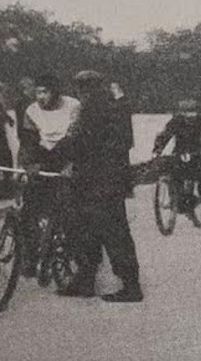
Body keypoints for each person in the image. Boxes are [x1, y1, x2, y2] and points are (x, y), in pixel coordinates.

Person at [52, 71, 142, 302]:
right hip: (107, 180)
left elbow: (80, 142)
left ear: (84, 88)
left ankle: (124, 286)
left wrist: (50, 157)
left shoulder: (94, 108)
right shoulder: (114, 106)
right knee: (102, 232)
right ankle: (97, 282)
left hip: (99, 181)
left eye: (80, 88)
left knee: (105, 233)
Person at [17, 74, 81, 277]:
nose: (40, 97)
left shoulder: (73, 106)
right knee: (28, 209)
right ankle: (30, 255)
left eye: (45, 92)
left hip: (68, 155)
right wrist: (28, 164)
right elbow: (28, 140)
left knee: (68, 209)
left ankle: (73, 253)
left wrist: (69, 164)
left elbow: (74, 138)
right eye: (37, 92)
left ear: (55, 92)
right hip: (44, 155)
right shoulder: (32, 110)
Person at [152, 98, 201, 232]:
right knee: (174, 173)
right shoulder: (176, 121)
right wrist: (158, 149)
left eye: (192, 112)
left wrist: (197, 152)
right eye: (186, 112)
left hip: (200, 155)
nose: (190, 115)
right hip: (181, 154)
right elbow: (165, 134)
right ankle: (177, 201)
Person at [108, 81, 135, 198]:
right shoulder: (122, 102)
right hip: (121, 137)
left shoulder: (122, 102)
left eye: (113, 87)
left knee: (122, 162)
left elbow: (125, 123)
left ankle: (126, 187)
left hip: (121, 137)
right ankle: (124, 187)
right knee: (121, 162)